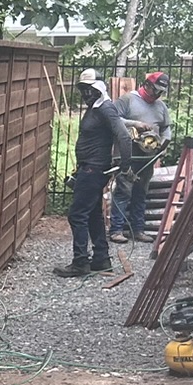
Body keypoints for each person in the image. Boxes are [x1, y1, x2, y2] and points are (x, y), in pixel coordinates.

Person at [57, 69, 131, 277]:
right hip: (89, 168)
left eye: (89, 89)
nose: (86, 94)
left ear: (98, 89)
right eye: (83, 89)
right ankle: (101, 259)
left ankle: (80, 262)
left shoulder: (105, 108)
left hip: (93, 169)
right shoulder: (96, 108)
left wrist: (125, 165)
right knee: (92, 214)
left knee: (77, 215)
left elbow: (124, 137)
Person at [110, 71, 173, 242]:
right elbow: (112, 118)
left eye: (161, 91)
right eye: (156, 90)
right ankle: (116, 230)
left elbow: (166, 127)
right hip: (128, 154)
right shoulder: (128, 100)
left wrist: (166, 140)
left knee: (141, 192)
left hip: (148, 156)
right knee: (123, 190)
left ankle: (137, 230)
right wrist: (135, 124)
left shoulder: (160, 107)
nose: (158, 94)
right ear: (147, 85)